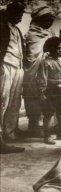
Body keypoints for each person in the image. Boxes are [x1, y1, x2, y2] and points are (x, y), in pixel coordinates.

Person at [23, 6, 55, 137]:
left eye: (51, 19)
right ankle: (33, 125)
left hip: (45, 70)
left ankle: (44, 126)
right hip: (31, 71)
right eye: (47, 19)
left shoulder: (50, 34)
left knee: (44, 97)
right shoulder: (29, 35)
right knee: (31, 97)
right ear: (39, 19)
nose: (50, 22)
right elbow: (26, 54)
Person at [0, 0, 25, 154]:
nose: (21, 16)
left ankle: (9, 133)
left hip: (18, 67)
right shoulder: (1, 26)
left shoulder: (17, 29)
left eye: (22, 13)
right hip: (6, 66)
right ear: (10, 12)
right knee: (2, 101)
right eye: (18, 13)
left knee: (14, 102)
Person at [36, 37, 61, 144]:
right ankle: (47, 135)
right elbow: (42, 78)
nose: (60, 50)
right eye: (57, 48)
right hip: (50, 91)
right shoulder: (45, 62)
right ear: (50, 48)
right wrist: (42, 92)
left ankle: (60, 132)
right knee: (48, 113)